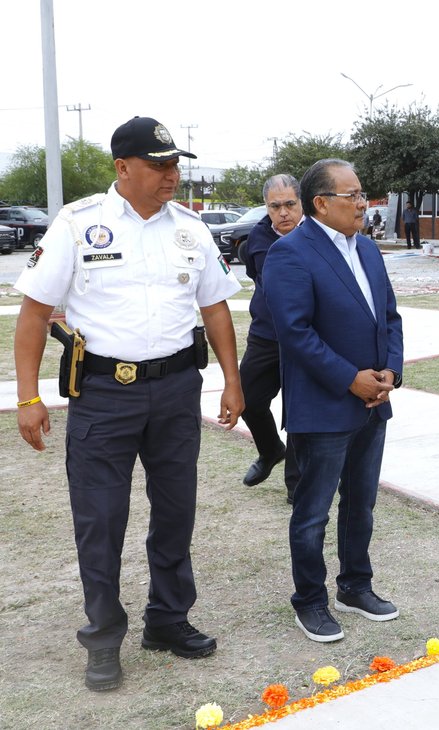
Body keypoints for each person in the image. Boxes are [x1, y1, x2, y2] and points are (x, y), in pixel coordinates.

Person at [12, 116, 244, 691]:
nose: (172, 175)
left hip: (174, 392)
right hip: (103, 395)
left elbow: (215, 308)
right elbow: (35, 313)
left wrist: (233, 382)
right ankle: (103, 636)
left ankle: (167, 620)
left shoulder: (191, 229)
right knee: (101, 519)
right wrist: (27, 396)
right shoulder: (79, 224)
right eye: (159, 165)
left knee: (175, 511)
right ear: (123, 168)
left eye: (175, 165)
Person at [263, 159, 404, 644]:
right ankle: (310, 601)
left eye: (364, 193)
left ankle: (355, 586)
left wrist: (391, 372)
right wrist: (351, 380)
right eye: (353, 196)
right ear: (321, 203)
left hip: (373, 402)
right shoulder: (290, 253)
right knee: (313, 512)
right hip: (325, 405)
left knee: (360, 504)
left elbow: (389, 317)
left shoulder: (367, 249)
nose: (363, 203)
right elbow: (295, 334)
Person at [237, 174, 303, 503]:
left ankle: (298, 485)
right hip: (266, 335)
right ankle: (270, 450)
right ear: (266, 208)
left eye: (290, 204)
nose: (283, 213)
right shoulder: (258, 239)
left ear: (302, 204)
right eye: (275, 206)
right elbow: (262, 275)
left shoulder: (318, 235)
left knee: (299, 411)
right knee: (246, 398)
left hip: (305, 338)